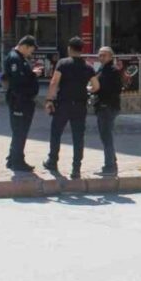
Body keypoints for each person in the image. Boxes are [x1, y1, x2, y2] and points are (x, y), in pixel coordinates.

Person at [43, 36, 99, 179]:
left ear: (69, 48)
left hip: (63, 104)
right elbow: (96, 86)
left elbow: (54, 82)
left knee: (56, 132)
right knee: (78, 137)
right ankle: (76, 169)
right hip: (80, 106)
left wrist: (49, 99)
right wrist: (86, 89)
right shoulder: (88, 67)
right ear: (82, 50)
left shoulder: (63, 63)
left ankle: (52, 161)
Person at [3, 36, 41, 172]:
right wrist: (33, 75)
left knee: (20, 131)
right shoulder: (15, 58)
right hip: (19, 101)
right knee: (20, 131)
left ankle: (12, 159)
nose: (31, 53)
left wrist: (31, 73)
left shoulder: (19, 57)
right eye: (30, 50)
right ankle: (17, 162)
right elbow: (18, 81)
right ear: (24, 46)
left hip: (23, 100)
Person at [94, 46, 123, 177]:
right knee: (105, 136)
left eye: (104, 55)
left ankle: (110, 166)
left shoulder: (112, 70)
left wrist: (96, 89)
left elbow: (113, 89)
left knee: (106, 136)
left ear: (111, 56)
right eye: (100, 55)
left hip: (108, 106)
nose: (101, 58)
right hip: (102, 105)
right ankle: (112, 162)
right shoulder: (102, 69)